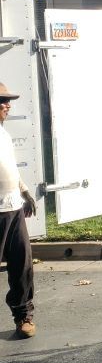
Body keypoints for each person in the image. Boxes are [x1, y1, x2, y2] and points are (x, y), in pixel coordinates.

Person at [0, 82, 37, 337]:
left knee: (22, 265)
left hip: (13, 208)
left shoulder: (4, 134)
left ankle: (23, 316)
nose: (7, 105)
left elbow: (10, 166)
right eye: (2, 102)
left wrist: (24, 191)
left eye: (7, 101)